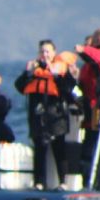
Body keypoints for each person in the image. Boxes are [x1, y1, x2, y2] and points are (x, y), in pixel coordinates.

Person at [14, 39, 78, 189]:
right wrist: (27, 73)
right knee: (40, 148)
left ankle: (63, 182)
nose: (45, 54)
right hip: (38, 116)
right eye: (42, 51)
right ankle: (39, 182)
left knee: (59, 149)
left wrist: (57, 76)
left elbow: (69, 89)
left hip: (56, 116)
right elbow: (19, 86)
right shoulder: (34, 71)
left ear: (54, 53)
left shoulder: (61, 70)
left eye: (48, 51)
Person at [77, 28, 100, 188]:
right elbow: (80, 89)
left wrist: (84, 50)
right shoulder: (86, 68)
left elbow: (96, 57)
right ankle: (88, 180)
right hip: (91, 110)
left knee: (98, 142)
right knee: (90, 143)